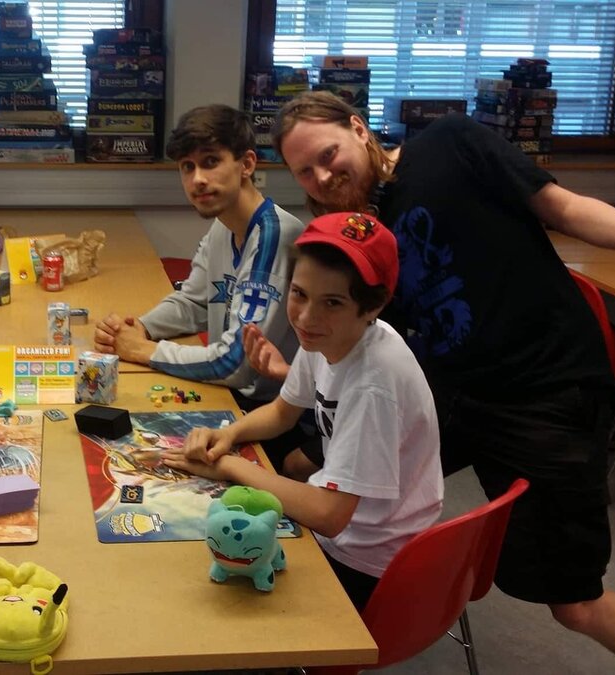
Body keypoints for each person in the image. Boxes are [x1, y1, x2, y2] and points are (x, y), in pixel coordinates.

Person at [271, 91, 615, 675]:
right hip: (452, 391)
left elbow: (561, 207)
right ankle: (317, 615)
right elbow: (361, 331)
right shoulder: (360, 229)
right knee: (303, 459)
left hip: (546, 389)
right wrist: (299, 375)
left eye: (328, 155)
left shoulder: (450, 143)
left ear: (358, 129)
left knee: (573, 602)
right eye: (305, 171)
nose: (323, 176)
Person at [161, 211, 442, 612]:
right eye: (299, 294)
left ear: (373, 306)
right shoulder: (331, 336)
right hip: (349, 527)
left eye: (332, 302)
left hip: (368, 562)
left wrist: (231, 467)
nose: (307, 317)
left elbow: (329, 515)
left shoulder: (373, 384)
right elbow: (282, 412)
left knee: (207, 584)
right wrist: (229, 434)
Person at [93, 104, 308, 470]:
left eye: (211, 162)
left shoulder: (273, 237)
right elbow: (193, 302)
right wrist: (139, 327)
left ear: (247, 164)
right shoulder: (224, 224)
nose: (197, 180)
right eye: (187, 167)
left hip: (269, 414)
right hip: (230, 395)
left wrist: (144, 350)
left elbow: (236, 363)